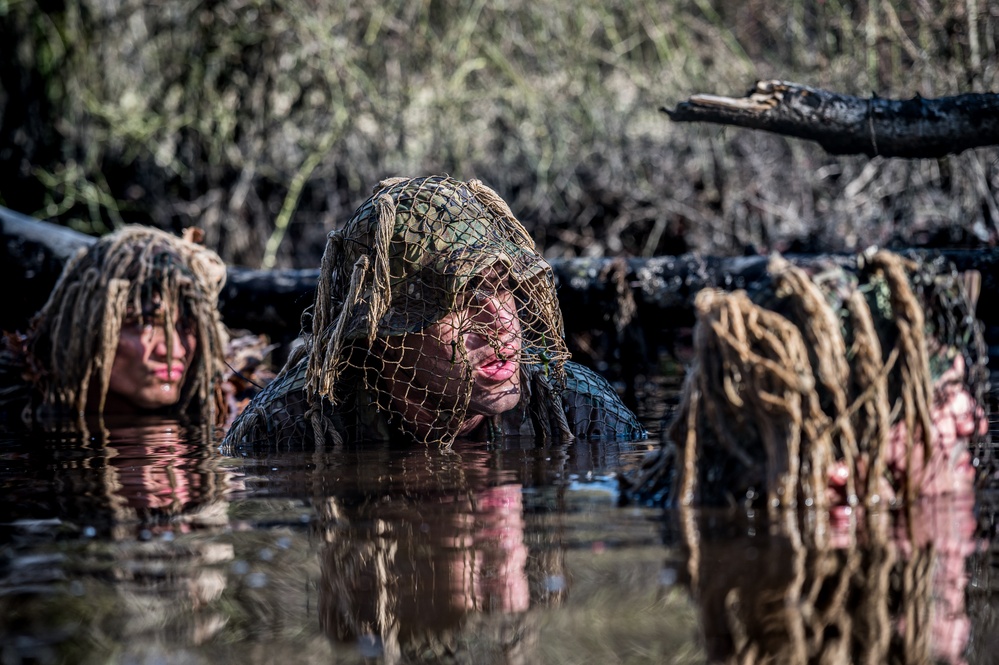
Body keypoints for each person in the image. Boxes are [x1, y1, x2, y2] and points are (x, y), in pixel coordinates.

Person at [225, 175, 647, 448]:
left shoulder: (580, 410)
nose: (501, 324)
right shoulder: (289, 427)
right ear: (384, 333)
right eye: (460, 300)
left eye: (504, 288)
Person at [0, 225, 231, 426]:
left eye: (185, 325)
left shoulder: (233, 409)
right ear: (84, 328)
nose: (173, 351)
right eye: (144, 323)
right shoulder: (12, 406)